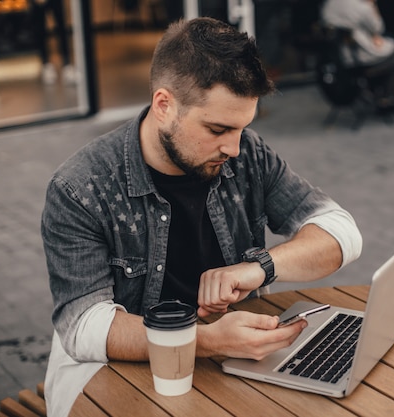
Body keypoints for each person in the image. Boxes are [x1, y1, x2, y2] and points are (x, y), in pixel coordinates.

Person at [40, 17, 362, 417]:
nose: (235, 148)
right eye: (218, 128)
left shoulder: (247, 156)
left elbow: (341, 232)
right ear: (164, 106)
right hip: (112, 375)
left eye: (243, 128)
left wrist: (259, 268)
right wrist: (205, 340)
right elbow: (83, 328)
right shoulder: (80, 186)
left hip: (229, 362)